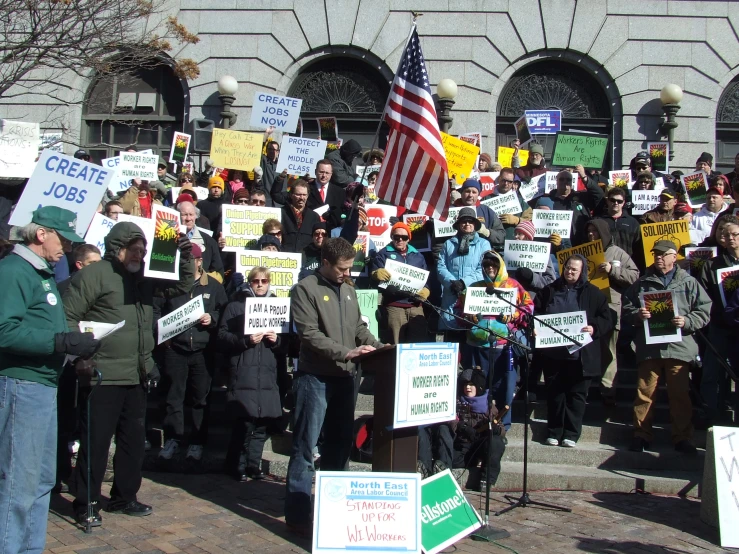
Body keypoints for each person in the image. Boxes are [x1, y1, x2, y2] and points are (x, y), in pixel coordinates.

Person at [63, 221, 195, 526]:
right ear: (117, 249)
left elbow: (180, 285)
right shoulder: (94, 275)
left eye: (143, 249)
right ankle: (87, 502)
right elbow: (69, 316)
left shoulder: (144, 277)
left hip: (137, 373)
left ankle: (124, 497)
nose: (140, 254)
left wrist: (185, 257)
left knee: (132, 443)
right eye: (134, 249)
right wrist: (79, 357)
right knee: (95, 443)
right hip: (102, 374)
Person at [0, 207, 100, 554]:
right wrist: (59, 343)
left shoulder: (41, 275)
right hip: (22, 385)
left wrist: (74, 348)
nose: (69, 248)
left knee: (42, 480)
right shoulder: (14, 271)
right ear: (41, 234)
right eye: (63, 238)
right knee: (18, 483)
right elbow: (4, 331)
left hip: (44, 385)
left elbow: (46, 328)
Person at [285, 237, 384, 535]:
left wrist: (380, 347)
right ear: (325, 263)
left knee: (340, 446)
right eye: (341, 269)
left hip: (345, 379)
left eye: (350, 269)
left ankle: (334, 512)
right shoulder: (305, 290)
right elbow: (310, 335)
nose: (346, 274)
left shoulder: (349, 290)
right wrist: (346, 352)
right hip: (314, 378)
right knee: (306, 447)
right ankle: (299, 516)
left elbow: (357, 328)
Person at [622, 240, 711, 454]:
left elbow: (705, 310)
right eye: (656, 254)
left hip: (678, 347)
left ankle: (682, 437)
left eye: (663, 254)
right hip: (650, 347)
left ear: (674, 256)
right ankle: (641, 434)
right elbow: (626, 307)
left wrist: (687, 321)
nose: (659, 258)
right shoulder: (642, 283)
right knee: (645, 393)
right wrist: (637, 315)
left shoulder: (688, 282)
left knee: (679, 394)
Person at [534, 254, 613, 447]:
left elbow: (608, 318)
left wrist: (594, 328)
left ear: (582, 272)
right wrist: (534, 327)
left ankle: (571, 434)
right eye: (568, 268)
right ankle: (554, 431)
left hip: (580, 355)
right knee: (555, 394)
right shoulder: (549, 290)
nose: (570, 272)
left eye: (574, 269)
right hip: (554, 353)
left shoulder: (594, 293)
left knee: (576, 396)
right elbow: (536, 312)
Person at [158, 243, 227, 462]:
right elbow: (158, 311)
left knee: (200, 398)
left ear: (199, 261)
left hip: (202, 350)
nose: (186, 265)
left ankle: (197, 442)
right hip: (175, 349)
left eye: (191, 260)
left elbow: (224, 312)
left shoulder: (213, 286)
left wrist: (212, 318)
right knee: (174, 396)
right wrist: (164, 337)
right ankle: (173, 439)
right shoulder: (171, 285)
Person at [219, 266, 285, 481]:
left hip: (267, 373)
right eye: (255, 280)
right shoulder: (235, 306)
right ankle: (235, 465)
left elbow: (288, 343)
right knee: (244, 423)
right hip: (244, 370)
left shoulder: (277, 307)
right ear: (249, 282)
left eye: (264, 281)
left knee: (262, 424)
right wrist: (245, 341)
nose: (259, 284)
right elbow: (222, 336)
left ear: (269, 283)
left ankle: (253, 465)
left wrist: (277, 342)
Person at [457, 250, 533, 430]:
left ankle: (502, 426)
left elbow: (529, 307)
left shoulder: (513, 285)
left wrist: (514, 314)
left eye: (494, 265)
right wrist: (468, 316)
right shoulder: (474, 287)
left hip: (504, 347)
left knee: (504, 388)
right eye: (487, 266)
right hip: (476, 346)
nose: (490, 268)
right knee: (478, 386)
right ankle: (477, 423)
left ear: (500, 267)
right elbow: (458, 311)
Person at [583, 220, 639, 405]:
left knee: (609, 350)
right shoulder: (583, 251)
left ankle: (607, 390)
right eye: (589, 231)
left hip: (610, 307)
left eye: (595, 231)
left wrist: (613, 270)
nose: (591, 235)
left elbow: (635, 276)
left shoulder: (617, 253)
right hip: (587, 307)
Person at [696, 215, 739, 426]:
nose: (730, 238)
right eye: (725, 234)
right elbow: (703, 295)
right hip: (720, 327)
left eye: (734, 234)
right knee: (712, 374)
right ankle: (713, 416)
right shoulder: (712, 265)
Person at [371, 221, 430, 344]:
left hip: (415, 305)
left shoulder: (418, 255)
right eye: (396, 237)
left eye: (404, 237)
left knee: (418, 341)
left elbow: (425, 279)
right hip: (394, 305)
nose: (400, 240)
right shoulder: (383, 254)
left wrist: (426, 289)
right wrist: (376, 274)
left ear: (409, 239)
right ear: (392, 237)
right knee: (396, 342)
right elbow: (374, 274)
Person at [437, 207, 487, 335]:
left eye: (470, 221)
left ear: (475, 224)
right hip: (451, 297)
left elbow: (484, 269)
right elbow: (440, 266)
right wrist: (452, 283)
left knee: (472, 339)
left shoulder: (484, 244)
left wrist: (464, 283)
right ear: (458, 224)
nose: (467, 224)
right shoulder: (448, 244)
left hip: (473, 299)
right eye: (464, 221)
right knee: (451, 341)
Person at [544, 169, 604, 246]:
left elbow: (599, 194)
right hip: (559, 246)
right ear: (556, 181)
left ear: (572, 182)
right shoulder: (548, 200)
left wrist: (584, 177)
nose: (565, 181)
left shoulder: (582, 197)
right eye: (561, 179)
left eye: (568, 179)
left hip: (581, 244)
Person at [179, 201, 224, 281]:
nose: (188, 219)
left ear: (196, 216)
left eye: (191, 214)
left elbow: (218, 271)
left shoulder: (209, 241)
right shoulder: (169, 239)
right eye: (184, 215)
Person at [453, 178, 505, 247]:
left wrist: (487, 232)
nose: (470, 195)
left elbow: (501, 236)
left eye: (474, 192)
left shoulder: (486, 211)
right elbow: (438, 242)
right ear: (461, 193)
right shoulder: (450, 210)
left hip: (481, 254)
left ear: (478, 194)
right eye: (467, 191)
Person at [511, 220, 558, 291]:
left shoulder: (542, 253)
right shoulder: (507, 253)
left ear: (528, 237)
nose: (516, 236)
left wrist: (532, 277)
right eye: (515, 233)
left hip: (532, 298)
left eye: (520, 234)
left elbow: (551, 281)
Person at [596, 187, 641, 258]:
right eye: (612, 200)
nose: (616, 203)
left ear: (623, 203)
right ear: (607, 201)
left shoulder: (633, 222)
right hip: (604, 261)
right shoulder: (598, 221)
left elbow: (638, 247)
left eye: (619, 201)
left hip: (627, 262)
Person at [488, 167, 533, 240]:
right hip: (492, 244)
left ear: (513, 182)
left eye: (509, 181)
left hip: (512, 244)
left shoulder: (520, 201)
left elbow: (530, 221)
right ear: (499, 179)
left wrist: (517, 220)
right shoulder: (487, 199)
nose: (506, 183)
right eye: (504, 180)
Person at [280, 180, 321, 253]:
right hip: (285, 258)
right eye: (298, 194)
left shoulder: (314, 216)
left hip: (306, 258)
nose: (301, 197)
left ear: (308, 196)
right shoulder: (281, 213)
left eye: (304, 195)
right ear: (291, 195)